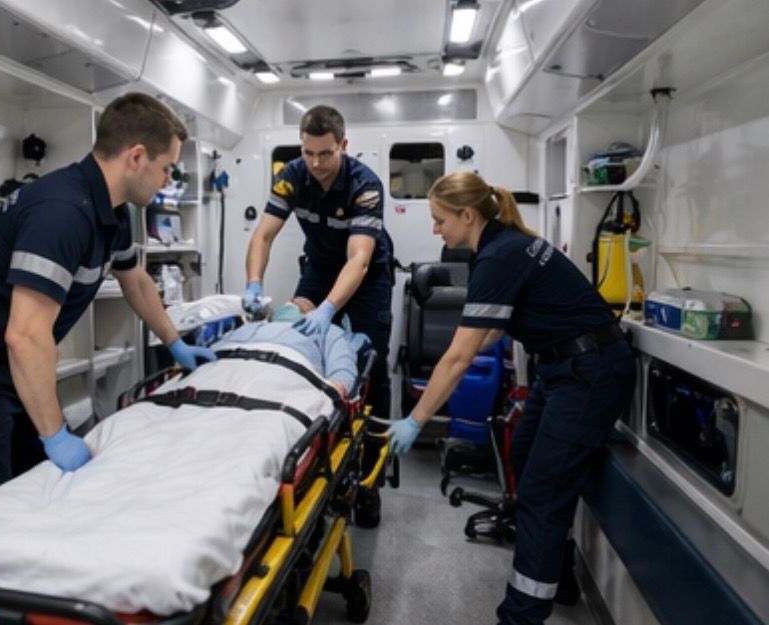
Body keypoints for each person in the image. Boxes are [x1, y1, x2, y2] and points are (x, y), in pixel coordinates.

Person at [0, 93, 216, 513]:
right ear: (137, 157)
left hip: (6, 366)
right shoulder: (62, 212)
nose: (168, 180)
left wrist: (174, 342)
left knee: (31, 496)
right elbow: (25, 335)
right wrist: (55, 434)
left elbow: (137, 283)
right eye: (166, 168)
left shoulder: (110, 212)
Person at [387, 171, 636, 625]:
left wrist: (417, 419)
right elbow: (482, 338)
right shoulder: (502, 245)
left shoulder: (499, 257)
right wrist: (449, 365)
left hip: (590, 372)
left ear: (467, 215)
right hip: (564, 368)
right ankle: (557, 573)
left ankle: (520, 616)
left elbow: (461, 356)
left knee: (542, 492)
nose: (435, 230)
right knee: (525, 455)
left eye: (440, 219)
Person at [242, 105, 393, 527]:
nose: (316, 163)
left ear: (343, 146)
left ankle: (369, 480)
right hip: (321, 266)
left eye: (325, 154)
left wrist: (330, 308)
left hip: (367, 273)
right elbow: (265, 233)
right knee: (301, 343)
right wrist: (254, 282)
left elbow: (359, 258)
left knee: (369, 368)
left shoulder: (365, 185)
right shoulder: (291, 176)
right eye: (308, 152)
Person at [214, 297, 362, 397]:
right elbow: (214, 352)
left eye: (303, 304)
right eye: (291, 301)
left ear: (312, 313)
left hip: (284, 376)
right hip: (226, 369)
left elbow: (342, 371)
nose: (294, 301)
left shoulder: (324, 330)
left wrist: (333, 390)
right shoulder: (250, 327)